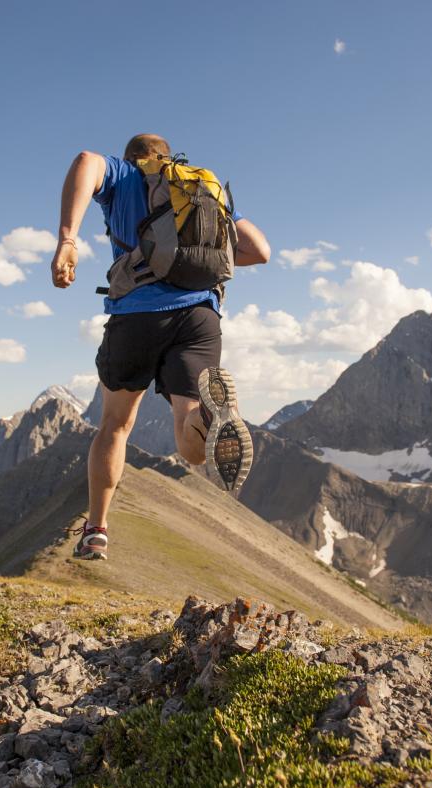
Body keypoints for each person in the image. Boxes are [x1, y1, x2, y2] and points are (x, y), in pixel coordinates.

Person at [50, 133, 271, 560]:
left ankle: (96, 530)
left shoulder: (125, 175)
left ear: (134, 157)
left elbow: (85, 160)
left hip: (137, 312)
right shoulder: (199, 188)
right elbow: (259, 250)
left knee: (115, 424)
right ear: (168, 157)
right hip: (202, 318)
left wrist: (68, 239)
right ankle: (214, 413)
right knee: (192, 446)